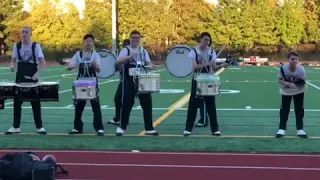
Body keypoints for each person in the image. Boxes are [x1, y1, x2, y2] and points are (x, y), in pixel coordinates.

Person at [115, 30, 158, 136]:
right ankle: (122, 127)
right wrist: (127, 58)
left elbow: (148, 63)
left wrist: (151, 66)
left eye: (137, 38)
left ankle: (149, 128)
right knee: (126, 104)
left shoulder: (143, 51)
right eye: (133, 37)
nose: (135, 39)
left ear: (140, 39)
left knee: (147, 104)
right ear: (130, 39)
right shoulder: (126, 50)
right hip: (129, 79)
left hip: (142, 79)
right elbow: (118, 61)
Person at [5, 27, 47, 135]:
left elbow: (43, 63)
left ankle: (39, 127)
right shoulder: (17, 46)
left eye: (26, 32)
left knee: (35, 102)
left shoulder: (35, 46)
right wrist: (12, 67)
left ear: (31, 34)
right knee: (17, 102)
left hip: (32, 75)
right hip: (20, 76)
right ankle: (16, 126)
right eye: (22, 32)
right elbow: (14, 61)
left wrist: (37, 74)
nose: (24, 34)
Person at [183, 32, 223, 137]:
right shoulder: (194, 52)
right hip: (197, 79)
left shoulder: (212, 52)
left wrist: (222, 65)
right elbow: (195, 67)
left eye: (208, 40)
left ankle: (215, 130)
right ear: (201, 39)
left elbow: (214, 68)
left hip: (208, 79)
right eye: (205, 40)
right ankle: (188, 129)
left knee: (211, 105)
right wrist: (207, 64)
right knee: (193, 105)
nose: (207, 42)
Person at [67, 34, 104, 136]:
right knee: (78, 106)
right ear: (83, 43)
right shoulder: (78, 54)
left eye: (91, 41)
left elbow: (99, 69)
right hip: (80, 83)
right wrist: (74, 65)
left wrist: (94, 64)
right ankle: (77, 127)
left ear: (93, 44)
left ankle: (99, 128)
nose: (89, 43)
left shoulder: (95, 55)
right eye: (87, 41)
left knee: (95, 106)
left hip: (92, 82)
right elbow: (69, 67)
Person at [276, 51, 307, 138]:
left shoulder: (301, 70)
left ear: (298, 60)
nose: (294, 61)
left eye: (296, 59)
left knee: (299, 109)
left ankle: (300, 129)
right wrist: (289, 84)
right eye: (292, 59)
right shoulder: (283, 69)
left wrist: (296, 84)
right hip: (287, 89)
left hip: (299, 89)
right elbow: (280, 80)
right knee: (284, 109)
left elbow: (303, 81)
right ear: (288, 60)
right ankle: (281, 129)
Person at [108, 39, 130, 126]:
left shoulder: (129, 55)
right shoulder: (123, 55)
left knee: (121, 99)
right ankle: (119, 118)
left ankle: (120, 119)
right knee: (119, 99)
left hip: (127, 81)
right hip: (124, 81)